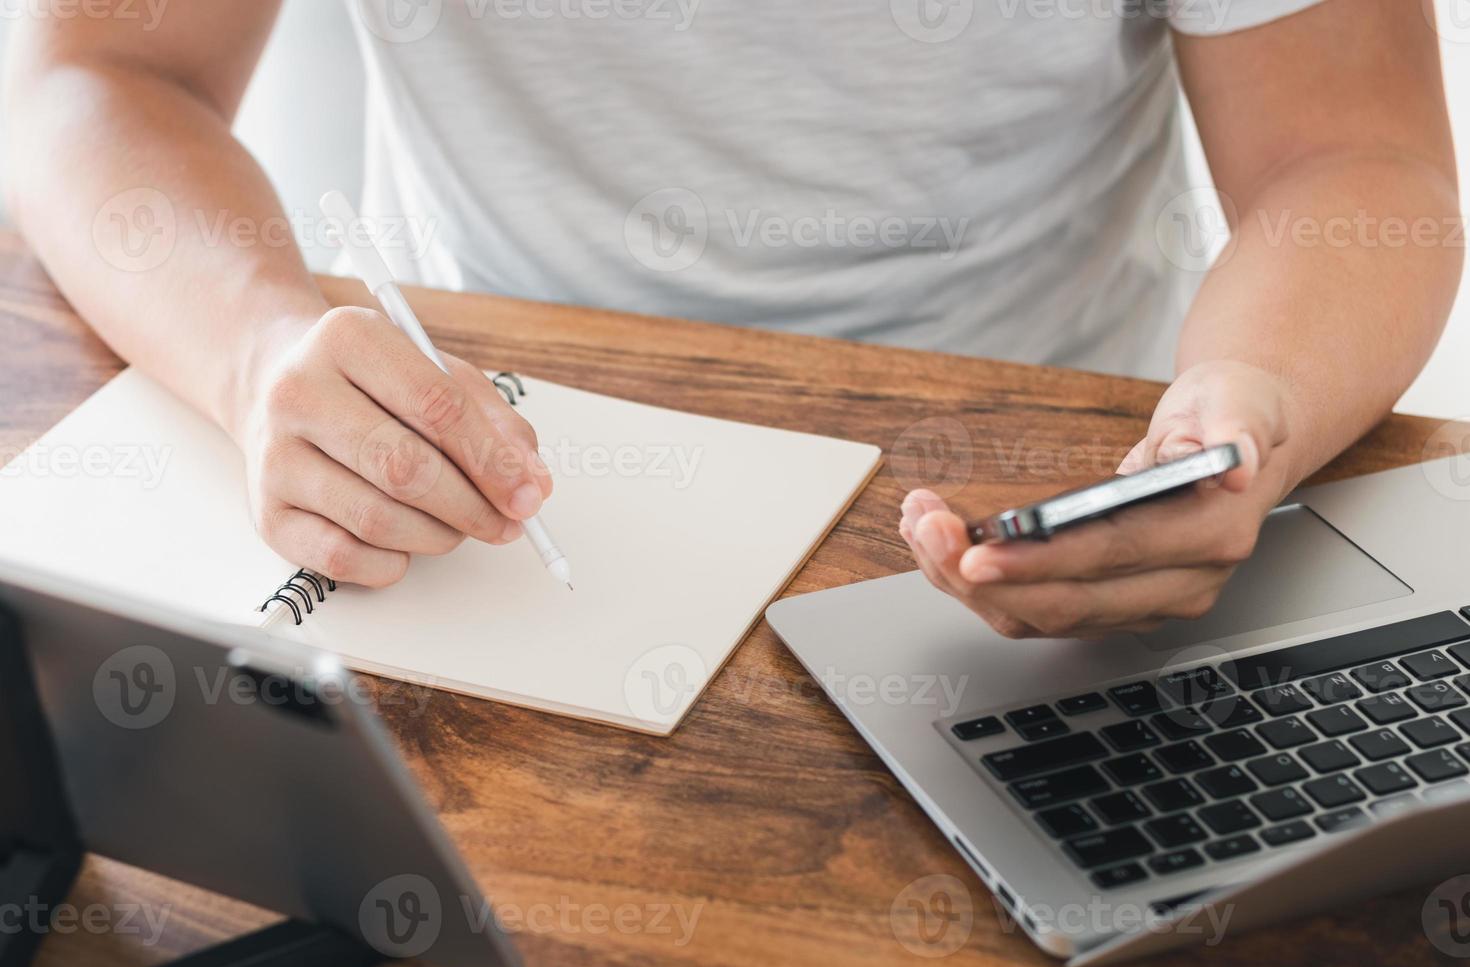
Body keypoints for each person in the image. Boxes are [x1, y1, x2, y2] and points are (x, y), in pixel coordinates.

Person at [3, 1, 1460, 638]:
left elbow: (1350, 156)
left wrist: (1248, 404)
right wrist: (254, 350)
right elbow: (99, 80)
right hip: (492, 490)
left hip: (1043, 489)